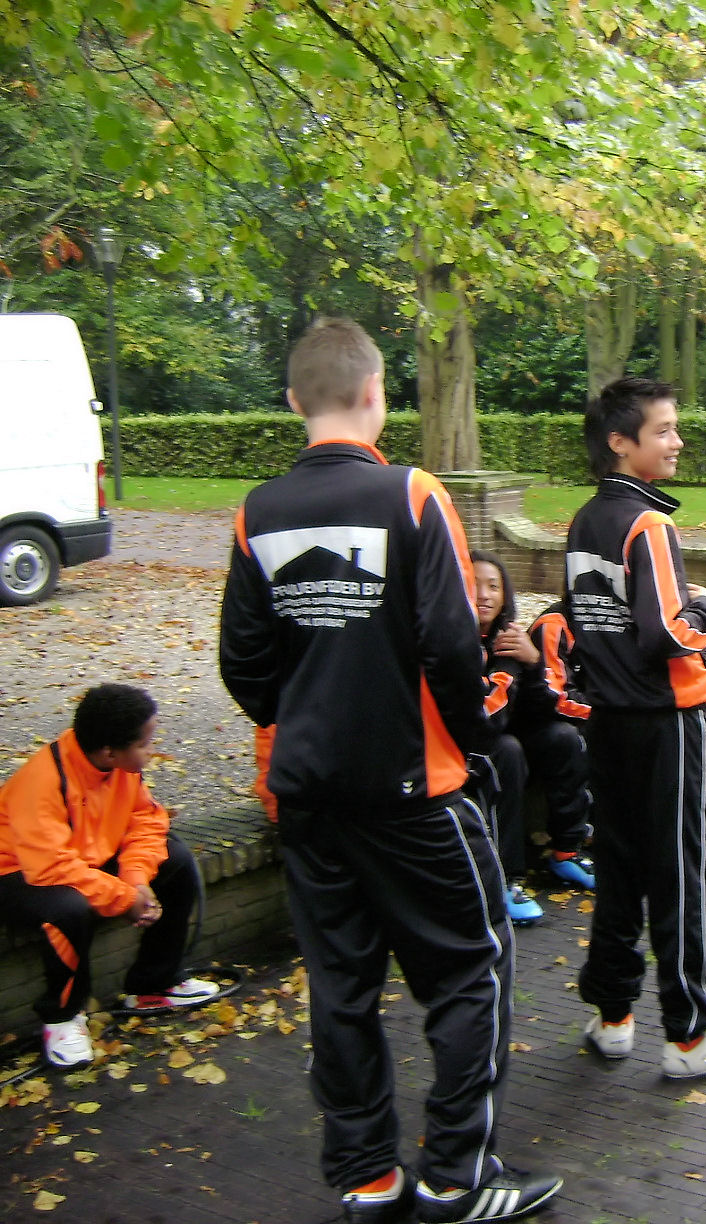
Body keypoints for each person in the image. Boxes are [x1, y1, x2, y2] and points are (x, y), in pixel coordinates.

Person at [219, 317, 560, 1223]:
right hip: (414, 791)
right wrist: (472, 741)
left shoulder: (258, 511)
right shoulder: (412, 493)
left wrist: (308, 721)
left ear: (293, 401)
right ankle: (456, 1178)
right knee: (472, 969)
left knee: (342, 988)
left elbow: (243, 666)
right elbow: (450, 645)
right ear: (375, 393)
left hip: (309, 796)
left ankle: (367, 1176)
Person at [565, 376, 706, 1080]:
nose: (677, 441)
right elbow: (666, 633)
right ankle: (689, 1037)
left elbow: (585, 622)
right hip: (665, 725)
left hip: (610, 724)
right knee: (680, 876)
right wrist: (705, 609)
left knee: (619, 869)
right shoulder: (650, 524)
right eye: (664, 430)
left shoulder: (585, 519)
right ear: (621, 443)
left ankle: (612, 1015)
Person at [0, 684, 221, 1069]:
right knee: (68, 909)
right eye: (145, 744)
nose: (151, 751)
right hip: (18, 871)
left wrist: (136, 880)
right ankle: (62, 1017)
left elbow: (147, 821)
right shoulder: (41, 783)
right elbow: (51, 867)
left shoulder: (120, 767)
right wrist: (125, 899)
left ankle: (153, 985)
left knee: (177, 859)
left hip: (78, 858)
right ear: (109, 752)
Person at [470, 550, 549, 924]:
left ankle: (568, 849)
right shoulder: (440, 634)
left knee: (562, 740)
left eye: (493, 586)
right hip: (444, 741)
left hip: (488, 735)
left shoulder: (508, 641)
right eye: (473, 585)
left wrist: (534, 663)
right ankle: (503, 880)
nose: (484, 595)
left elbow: (539, 708)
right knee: (505, 753)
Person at [514, 601, 600, 884]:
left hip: (579, 717)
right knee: (569, 739)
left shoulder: (611, 621)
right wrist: (612, 710)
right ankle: (566, 851)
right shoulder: (554, 625)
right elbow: (556, 698)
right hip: (537, 727)